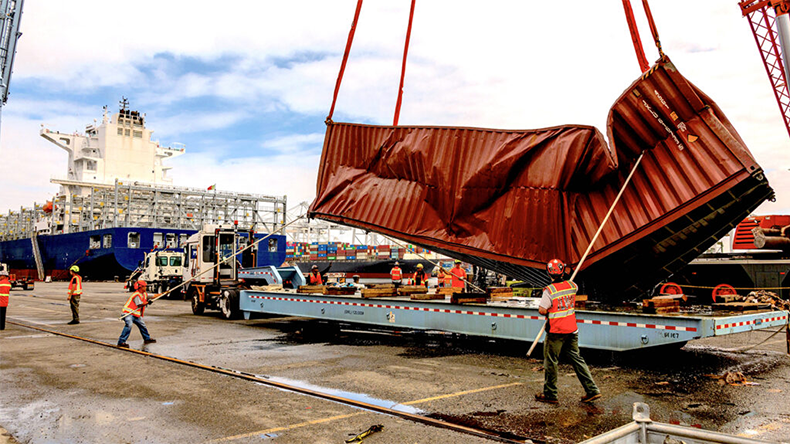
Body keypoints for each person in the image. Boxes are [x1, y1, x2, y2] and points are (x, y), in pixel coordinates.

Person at [535, 259, 601, 404]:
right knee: (577, 359)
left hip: (556, 332)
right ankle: (592, 390)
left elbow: (542, 310)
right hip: (572, 330)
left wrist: (548, 310)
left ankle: (550, 394)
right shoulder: (573, 286)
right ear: (563, 271)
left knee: (551, 361)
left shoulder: (549, 291)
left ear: (548, 273)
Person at [117, 280, 156, 348]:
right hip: (128, 313)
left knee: (142, 325)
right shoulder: (136, 295)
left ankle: (147, 338)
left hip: (136, 314)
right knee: (129, 325)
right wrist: (147, 302)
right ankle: (121, 342)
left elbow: (153, 296)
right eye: (145, 286)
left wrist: (164, 293)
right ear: (141, 287)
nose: (146, 288)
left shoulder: (144, 294)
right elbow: (139, 304)